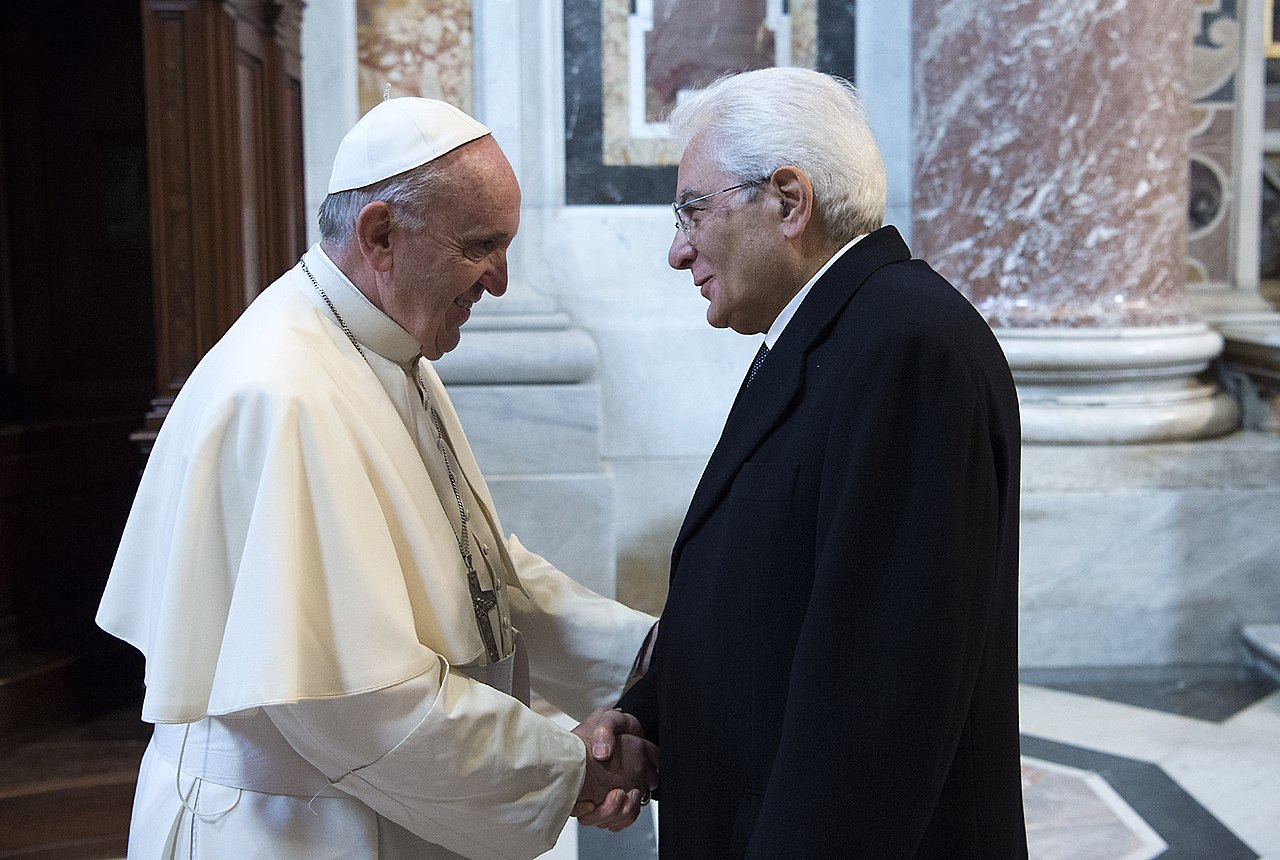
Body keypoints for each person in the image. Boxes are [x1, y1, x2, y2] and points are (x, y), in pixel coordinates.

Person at [97, 97, 659, 858]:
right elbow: (359, 704)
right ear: (381, 234)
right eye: (481, 246)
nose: (498, 280)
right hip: (296, 829)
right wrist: (573, 771)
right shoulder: (286, 390)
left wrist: (650, 656)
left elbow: (482, 576)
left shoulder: (383, 349)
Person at [615, 67, 1027, 857]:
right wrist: (649, 718)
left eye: (693, 210)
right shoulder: (835, 334)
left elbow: (879, 698)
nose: (678, 249)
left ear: (789, 200)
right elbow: (768, 599)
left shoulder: (909, 349)